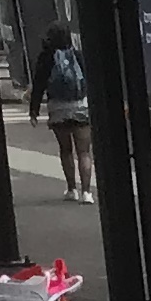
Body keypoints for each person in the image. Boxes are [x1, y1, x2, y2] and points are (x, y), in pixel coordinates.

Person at [30, 22, 97, 203]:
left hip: (58, 108)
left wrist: (34, 110)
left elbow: (38, 84)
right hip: (80, 107)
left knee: (66, 150)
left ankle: (71, 189)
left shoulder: (46, 57)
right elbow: (89, 80)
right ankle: (86, 192)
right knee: (84, 152)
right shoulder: (77, 55)